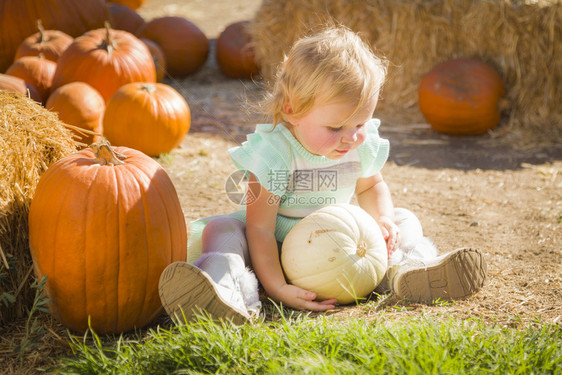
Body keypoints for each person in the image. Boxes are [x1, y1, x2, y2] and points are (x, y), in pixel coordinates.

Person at [158, 26, 487, 324]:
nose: (351, 137)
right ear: (292, 111)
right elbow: (259, 227)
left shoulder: (359, 143)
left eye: (360, 124)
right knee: (224, 228)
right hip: (272, 250)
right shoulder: (276, 153)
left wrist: (383, 221)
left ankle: (410, 269)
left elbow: (372, 185)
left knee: (405, 219)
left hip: (339, 249)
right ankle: (229, 291)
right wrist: (278, 286)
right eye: (336, 127)